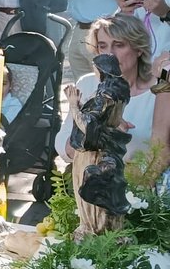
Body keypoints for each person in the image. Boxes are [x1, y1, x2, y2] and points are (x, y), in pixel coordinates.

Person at [55, 14, 170, 196]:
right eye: (102, 46)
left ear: (138, 49)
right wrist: (99, 128)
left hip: (145, 191)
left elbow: (162, 151)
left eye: (119, 45)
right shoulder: (87, 85)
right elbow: (64, 148)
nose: (110, 54)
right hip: (92, 189)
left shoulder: (160, 91)